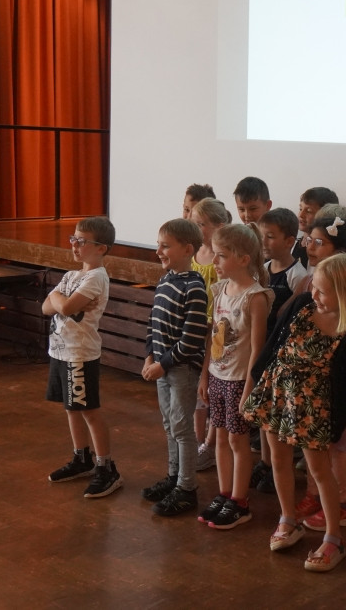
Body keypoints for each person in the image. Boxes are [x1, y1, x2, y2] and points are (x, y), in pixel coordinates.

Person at [243, 253, 346, 572]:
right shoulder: (302, 305)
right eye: (314, 286)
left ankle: (333, 537)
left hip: (314, 410)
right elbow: (272, 348)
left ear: (345, 294)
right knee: (278, 459)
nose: (314, 294)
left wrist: (335, 425)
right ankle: (288, 519)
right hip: (278, 395)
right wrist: (254, 387)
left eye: (322, 291)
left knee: (320, 471)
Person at [197, 224, 273, 529]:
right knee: (220, 437)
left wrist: (249, 389)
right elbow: (213, 338)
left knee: (237, 440)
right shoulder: (220, 290)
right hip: (217, 376)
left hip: (240, 380)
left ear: (243, 259)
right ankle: (225, 493)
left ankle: (240, 502)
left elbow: (257, 349)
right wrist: (205, 376)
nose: (215, 261)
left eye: (222, 256)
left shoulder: (255, 298)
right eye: (215, 255)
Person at [44, 216, 123, 499]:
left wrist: (59, 300)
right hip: (61, 351)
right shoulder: (71, 276)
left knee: (89, 410)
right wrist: (59, 300)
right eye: (73, 239)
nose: (75, 245)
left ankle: (106, 467)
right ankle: (82, 458)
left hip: (79, 353)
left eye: (82, 241)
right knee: (72, 408)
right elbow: (46, 307)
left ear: (101, 248)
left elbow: (64, 307)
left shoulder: (96, 277)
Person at [140, 219, 210, 516]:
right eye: (159, 245)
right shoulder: (165, 280)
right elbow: (153, 323)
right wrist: (150, 356)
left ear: (187, 250)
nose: (159, 251)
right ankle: (173, 477)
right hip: (162, 366)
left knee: (182, 428)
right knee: (170, 424)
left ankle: (187, 488)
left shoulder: (194, 287)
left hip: (181, 369)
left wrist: (163, 364)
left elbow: (192, 339)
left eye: (165, 246)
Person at [249, 207, 307, 494]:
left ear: (289, 241)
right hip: (262, 348)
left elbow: (292, 318)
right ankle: (265, 461)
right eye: (262, 236)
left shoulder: (298, 275)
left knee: (276, 412)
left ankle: (277, 465)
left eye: (270, 237)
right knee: (263, 410)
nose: (264, 242)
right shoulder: (262, 270)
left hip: (281, 353)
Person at [190, 197, 231, 469]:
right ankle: (197, 442)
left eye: (201, 224)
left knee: (211, 389)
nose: (196, 229)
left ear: (219, 226)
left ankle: (210, 442)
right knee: (198, 390)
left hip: (215, 327)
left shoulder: (219, 259)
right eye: (194, 223)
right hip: (195, 327)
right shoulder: (194, 254)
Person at [294, 186, 339, 267]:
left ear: (325, 216)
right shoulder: (292, 245)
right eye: (300, 209)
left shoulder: (324, 253)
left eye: (309, 211)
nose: (301, 215)